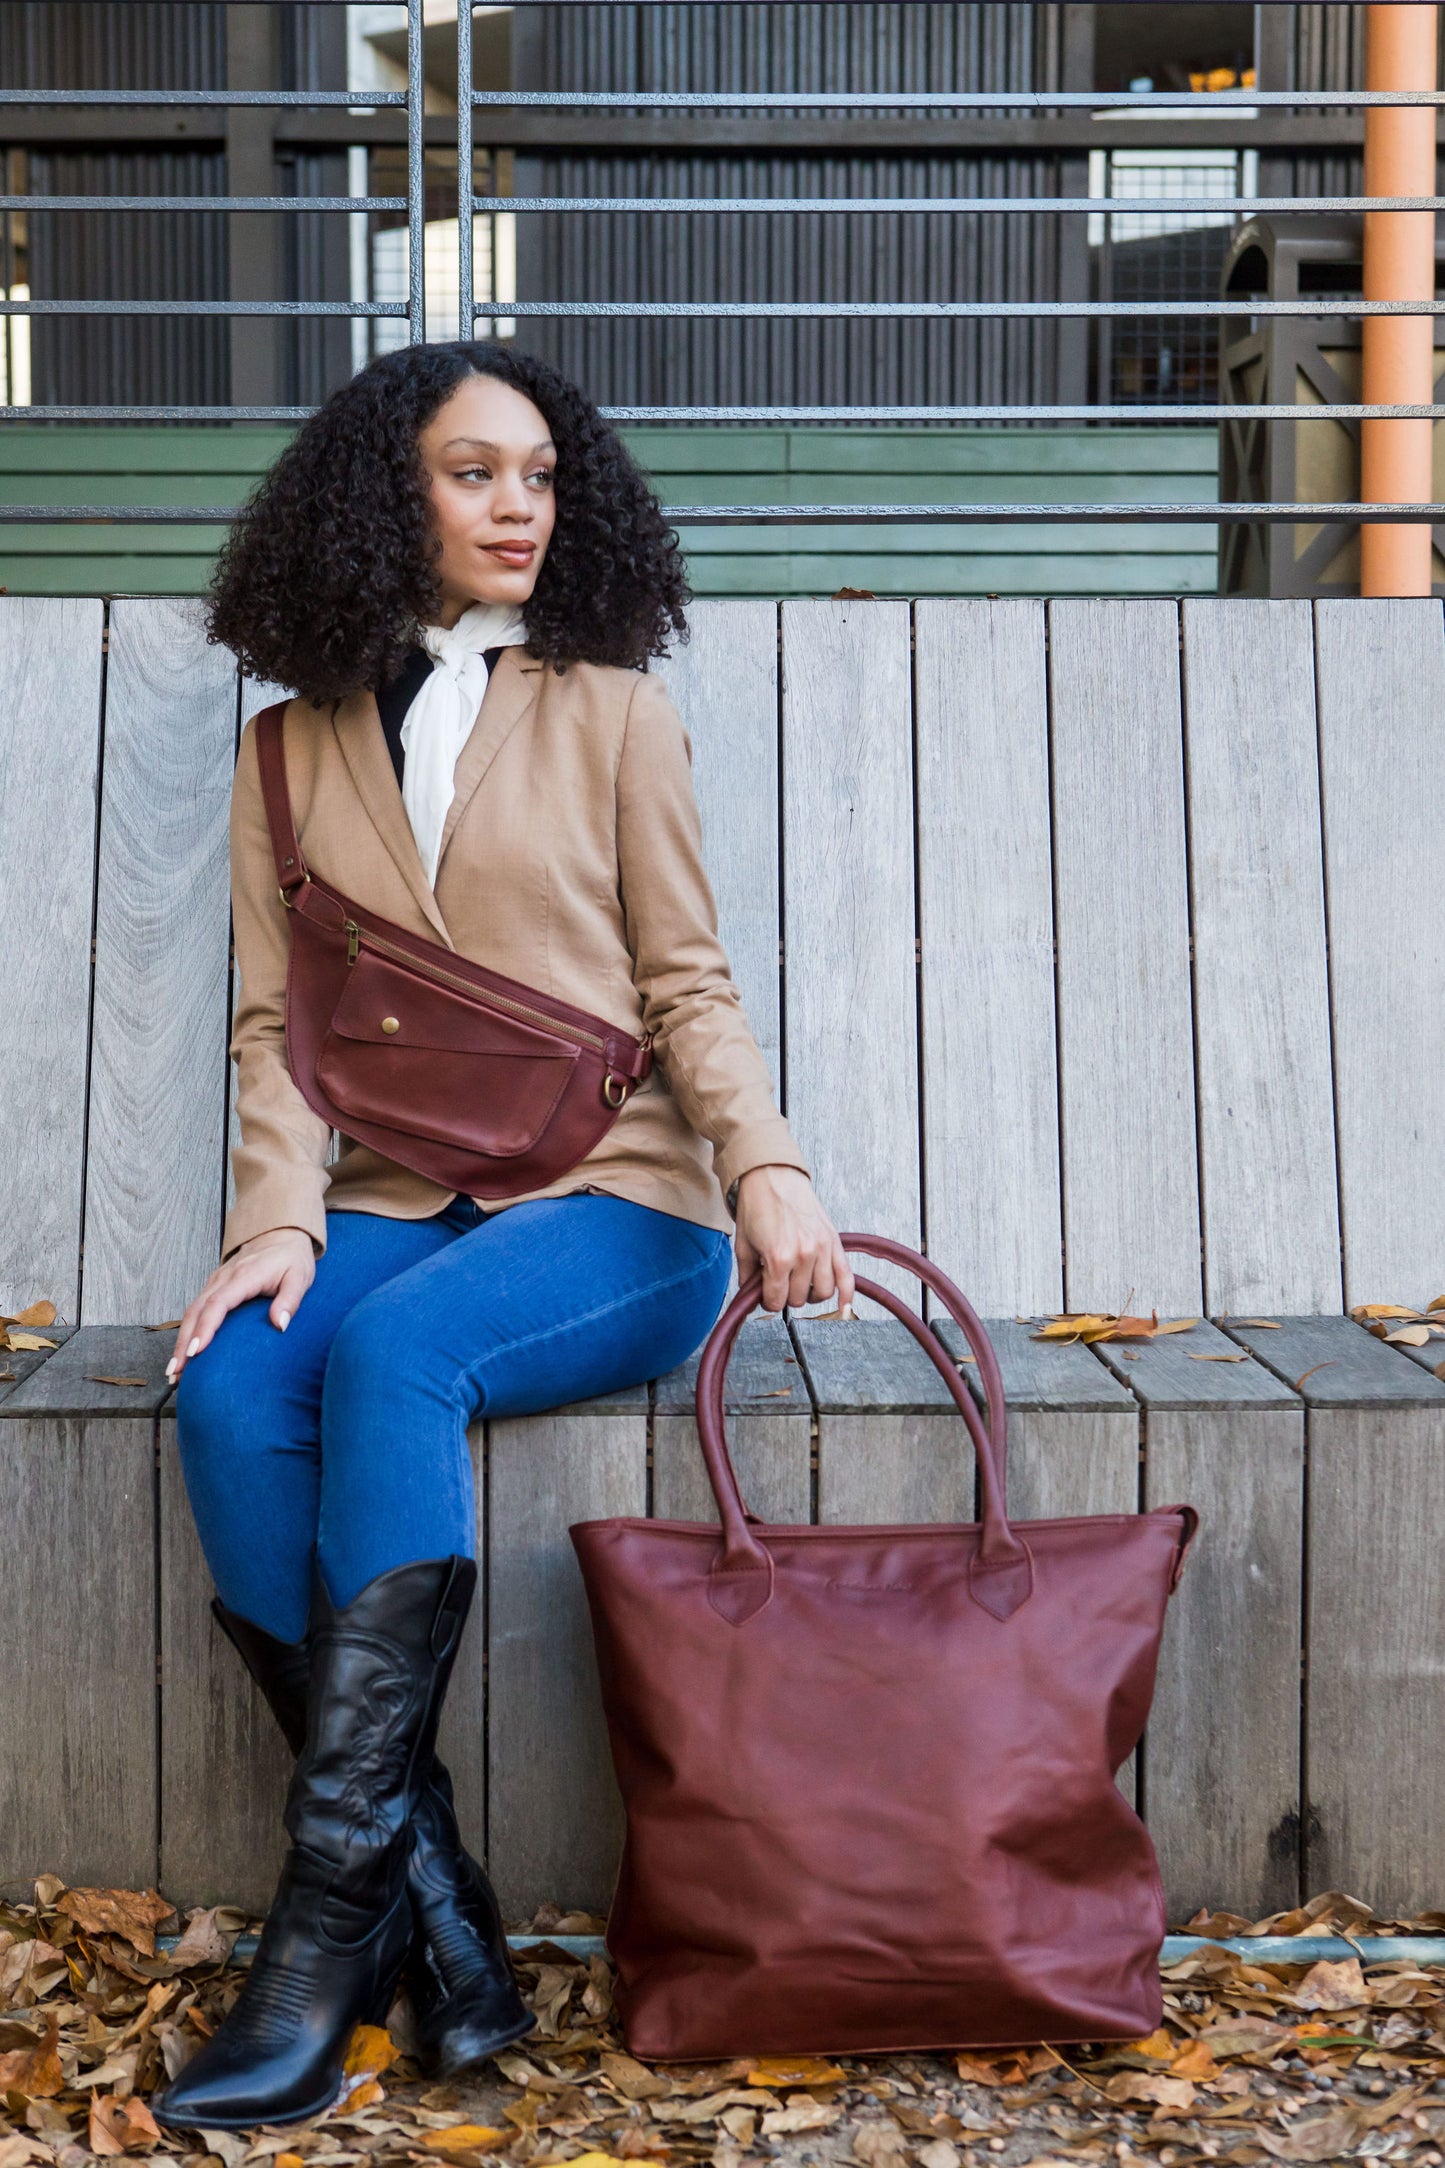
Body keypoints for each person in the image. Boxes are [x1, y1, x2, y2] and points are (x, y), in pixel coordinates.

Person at [151, 339, 854, 2133]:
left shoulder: (614, 710)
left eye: (538, 474)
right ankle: (435, 1903)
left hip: (619, 1201)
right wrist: (274, 1222)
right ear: (385, 491)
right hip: (397, 1196)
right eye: (475, 473)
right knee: (234, 1384)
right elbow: (275, 1029)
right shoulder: (287, 748)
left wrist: (764, 1166)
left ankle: (319, 1944)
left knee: (401, 1356)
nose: (517, 505)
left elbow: (685, 976)